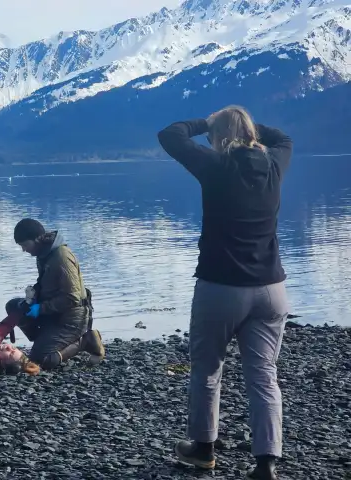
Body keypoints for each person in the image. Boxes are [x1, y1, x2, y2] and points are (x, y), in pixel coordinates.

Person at [157, 106, 292, 480]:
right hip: (271, 289)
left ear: (219, 138)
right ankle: (266, 463)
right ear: (252, 134)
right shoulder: (274, 166)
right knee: (264, 375)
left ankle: (203, 451)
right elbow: (283, 138)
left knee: (207, 369)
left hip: (221, 287)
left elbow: (170, 134)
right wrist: (249, 126)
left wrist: (208, 122)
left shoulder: (214, 165)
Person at [6, 218, 105, 370]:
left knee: (40, 360)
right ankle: (45, 339)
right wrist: (33, 296)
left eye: (25, 245)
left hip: (71, 319)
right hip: (53, 313)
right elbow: (49, 284)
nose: (24, 250)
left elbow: (72, 297)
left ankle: (85, 341)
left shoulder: (61, 257)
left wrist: (41, 308)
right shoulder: (44, 254)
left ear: (38, 239)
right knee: (14, 306)